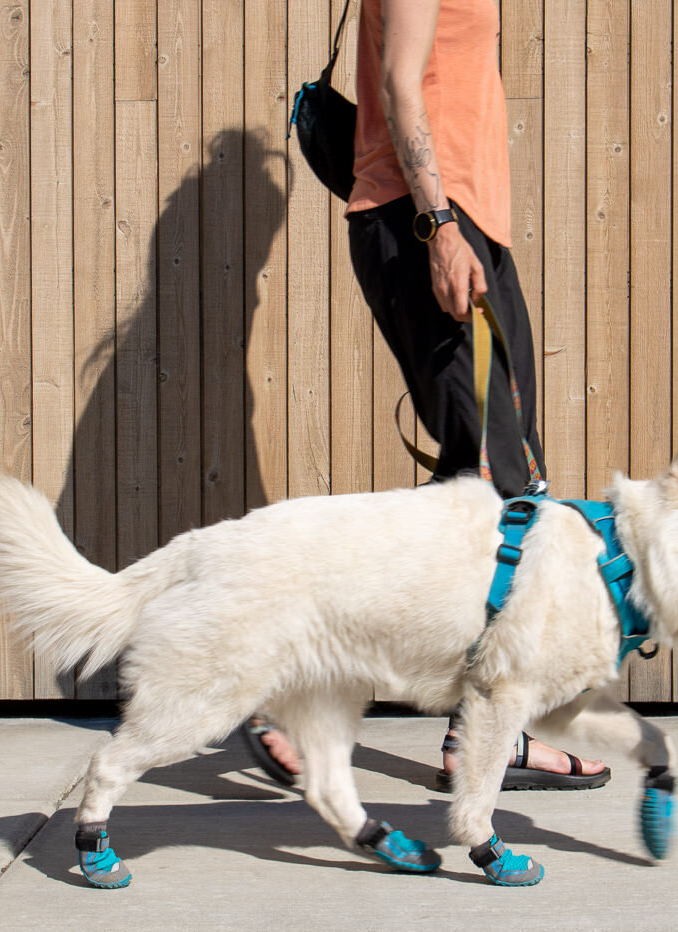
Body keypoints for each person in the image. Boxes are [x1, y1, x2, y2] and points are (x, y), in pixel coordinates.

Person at [244, 0, 607, 793]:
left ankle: (484, 732)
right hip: (428, 225)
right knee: (499, 488)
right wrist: (439, 226)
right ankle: (294, 693)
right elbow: (402, 85)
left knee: (481, 491)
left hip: (467, 225)